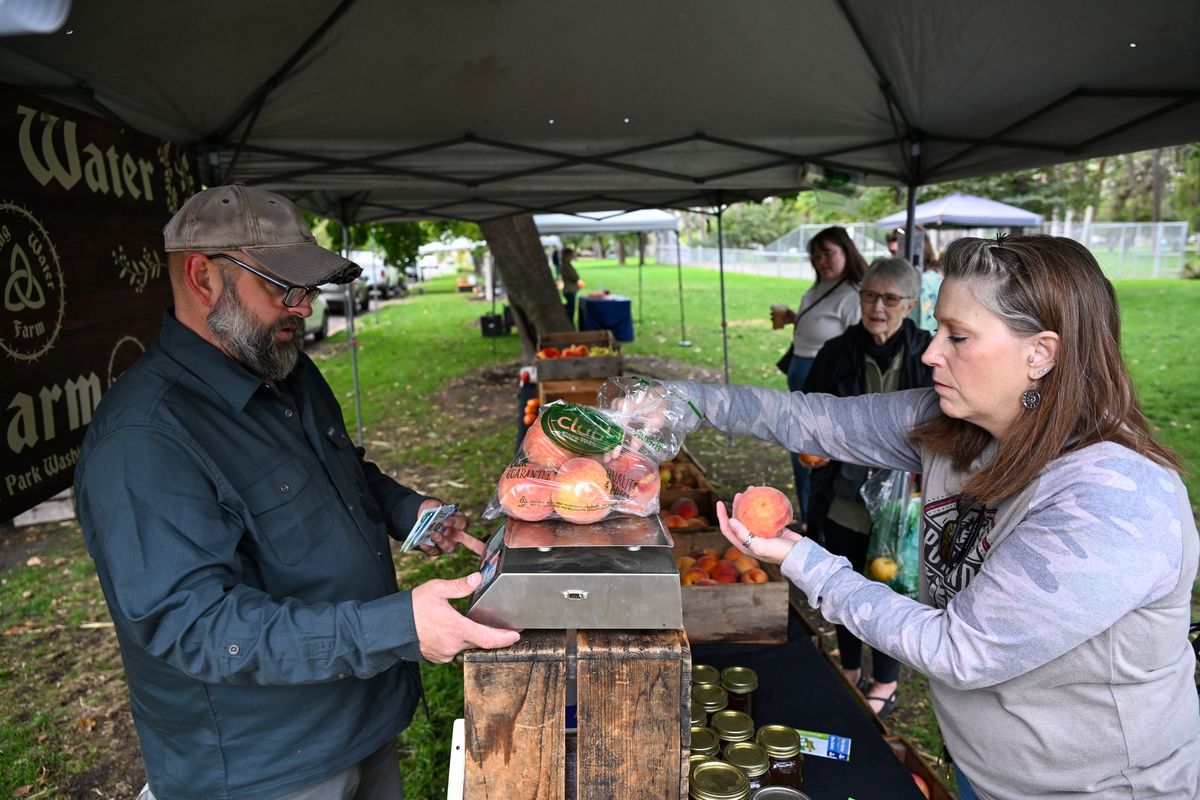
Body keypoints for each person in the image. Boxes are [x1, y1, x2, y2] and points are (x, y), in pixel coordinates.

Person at [639, 235, 1199, 799]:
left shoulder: (1112, 500)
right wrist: (681, 400)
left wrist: (804, 560)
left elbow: (961, 650)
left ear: (1041, 353)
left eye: (958, 336)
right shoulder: (957, 426)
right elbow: (810, 418)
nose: (931, 352)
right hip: (985, 772)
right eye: (937, 329)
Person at [74, 185, 520, 800]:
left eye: (307, 288)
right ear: (203, 278)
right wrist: (396, 626)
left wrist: (405, 511)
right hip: (264, 763)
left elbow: (341, 470)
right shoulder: (144, 439)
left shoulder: (283, 367)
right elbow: (194, 625)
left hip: (357, 713)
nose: (304, 308)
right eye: (282, 287)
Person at [802, 256, 931, 720]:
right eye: (870, 296)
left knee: (892, 588)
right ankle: (852, 667)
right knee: (844, 581)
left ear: (911, 304)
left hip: (905, 502)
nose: (878, 307)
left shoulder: (928, 352)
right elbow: (809, 416)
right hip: (845, 495)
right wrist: (811, 447)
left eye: (890, 299)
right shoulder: (836, 352)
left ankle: (886, 680)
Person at [772, 226, 865, 524]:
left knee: (817, 452)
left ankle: (820, 520)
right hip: (801, 379)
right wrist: (794, 319)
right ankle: (808, 516)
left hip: (825, 384)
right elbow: (819, 325)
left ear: (846, 252)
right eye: (815, 255)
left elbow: (855, 346)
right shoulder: (818, 288)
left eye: (828, 253)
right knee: (799, 448)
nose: (821, 260)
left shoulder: (853, 295)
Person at [560, 246, 581, 326]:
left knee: (571, 308)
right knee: (570, 310)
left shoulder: (567, 265)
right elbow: (575, 277)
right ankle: (569, 324)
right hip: (569, 290)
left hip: (571, 290)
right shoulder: (565, 266)